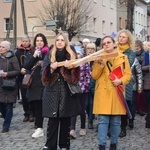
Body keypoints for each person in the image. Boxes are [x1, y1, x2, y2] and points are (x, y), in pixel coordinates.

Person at [41, 32, 81, 150]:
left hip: (66, 93)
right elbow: (43, 77)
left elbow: (76, 78)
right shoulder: (49, 55)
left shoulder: (71, 55)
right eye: (57, 40)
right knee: (52, 121)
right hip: (52, 92)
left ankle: (64, 145)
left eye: (62, 40)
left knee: (65, 120)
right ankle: (50, 145)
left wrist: (69, 69)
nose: (59, 42)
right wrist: (51, 70)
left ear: (66, 42)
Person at [91, 36, 132, 150]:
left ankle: (113, 144)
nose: (106, 45)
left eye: (108, 42)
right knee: (102, 120)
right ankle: (102, 145)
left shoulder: (123, 57)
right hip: (103, 92)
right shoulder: (99, 57)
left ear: (114, 44)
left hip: (116, 91)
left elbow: (128, 74)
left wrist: (121, 81)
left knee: (115, 121)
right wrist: (99, 65)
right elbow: (94, 76)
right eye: (104, 43)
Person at [24, 33, 49, 138]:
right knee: (36, 106)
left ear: (44, 42)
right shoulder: (31, 53)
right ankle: (39, 127)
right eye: (37, 40)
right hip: (34, 84)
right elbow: (26, 66)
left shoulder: (48, 53)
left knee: (44, 106)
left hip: (45, 83)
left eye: (41, 40)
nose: (39, 42)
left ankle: (41, 127)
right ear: (35, 42)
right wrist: (34, 56)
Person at [116, 29, 136, 137]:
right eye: (120, 36)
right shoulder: (114, 49)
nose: (121, 38)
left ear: (128, 39)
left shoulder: (130, 52)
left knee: (125, 105)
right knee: (116, 104)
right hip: (114, 80)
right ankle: (113, 127)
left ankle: (124, 127)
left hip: (126, 82)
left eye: (124, 37)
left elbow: (128, 63)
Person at [70, 45, 91, 138]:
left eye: (79, 53)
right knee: (73, 109)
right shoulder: (71, 62)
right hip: (73, 89)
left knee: (82, 109)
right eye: (76, 53)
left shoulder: (85, 63)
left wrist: (85, 86)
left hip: (83, 89)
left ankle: (82, 127)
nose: (77, 55)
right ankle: (72, 129)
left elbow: (88, 76)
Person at [0, 41, 20, 133]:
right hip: (1, 85)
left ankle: (6, 126)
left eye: (3, 47)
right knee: (1, 105)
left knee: (9, 106)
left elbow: (17, 71)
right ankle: (6, 117)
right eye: (0, 47)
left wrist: (7, 73)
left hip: (10, 84)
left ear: (7, 48)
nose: (1, 48)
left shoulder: (13, 58)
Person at [15, 34, 34, 122]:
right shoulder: (18, 51)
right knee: (23, 96)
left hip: (30, 75)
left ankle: (31, 113)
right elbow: (15, 63)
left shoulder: (32, 50)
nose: (25, 43)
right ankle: (26, 113)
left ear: (29, 41)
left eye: (26, 41)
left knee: (30, 96)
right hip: (21, 76)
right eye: (23, 41)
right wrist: (20, 70)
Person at [134, 40, 146, 116]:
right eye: (135, 46)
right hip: (134, 75)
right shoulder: (133, 54)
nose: (136, 48)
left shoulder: (144, 54)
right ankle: (137, 108)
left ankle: (141, 109)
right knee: (136, 94)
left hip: (142, 75)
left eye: (137, 46)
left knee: (141, 93)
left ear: (140, 46)